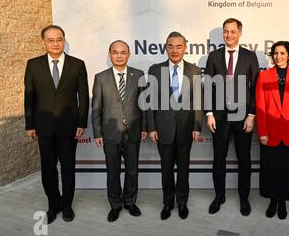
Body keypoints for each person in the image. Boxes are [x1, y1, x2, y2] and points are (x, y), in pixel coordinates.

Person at [24, 25, 89, 224]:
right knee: (48, 168)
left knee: (68, 168)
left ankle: (67, 205)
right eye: (50, 40)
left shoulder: (77, 64)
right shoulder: (33, 65)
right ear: (43, 42)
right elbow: (29, 96)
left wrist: (81, 122)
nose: (55, 43)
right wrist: (30, 125)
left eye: (59, 39)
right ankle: (53, 205)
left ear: (64, 40)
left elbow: (84, 96)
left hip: (69, 127)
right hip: (43, 127)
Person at [205, 18, 259, 216]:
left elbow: (256, 88)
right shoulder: (213, 56)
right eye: (226, 31)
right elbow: (208, 87)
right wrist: (209, 113)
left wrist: (252, 114)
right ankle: (219, 196)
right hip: (219, 117)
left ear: (240, 33)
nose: (229, 35)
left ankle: (244, 198)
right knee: (218, 159)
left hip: (243, 117)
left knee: (244, 159)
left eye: (233, 31)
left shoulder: (250, 57)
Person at [147, 31, 203, 220]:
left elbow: (198, 102)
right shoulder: (155, 70)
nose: (174, 50)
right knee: (166, 169)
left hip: (186, 129)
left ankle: (182, 203)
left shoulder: (194, 71)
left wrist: (196, 126)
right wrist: (152, 127)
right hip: (163, 129)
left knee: (184, 169)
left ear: (185, 48)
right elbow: (150, 102)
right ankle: (168, 202)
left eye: (179, 46)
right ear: (166, 47)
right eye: (170, 46)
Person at [91, 40, 147, 222]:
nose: (119, 55)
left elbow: (144, 105)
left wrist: (145, 127)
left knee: (132, 170)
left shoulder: (139, 75)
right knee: (112, 172)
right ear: (110, 54)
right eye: (115, 52)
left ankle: (130, 202)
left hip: (133, 132)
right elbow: (96, 108)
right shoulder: (100, 77)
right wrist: (98, 133)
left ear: (129, 55)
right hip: (110, 133)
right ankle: (115, 205)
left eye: (123, 52)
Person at [255, 41, 289, 219]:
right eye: (275, 53)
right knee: (270, 169)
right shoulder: (264, 76)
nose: (278, 56)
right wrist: (262, 132)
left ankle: (283, 201)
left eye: (282, 53)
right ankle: (272, 200)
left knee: (286, 169)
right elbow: (260, 106)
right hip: (270, 132)